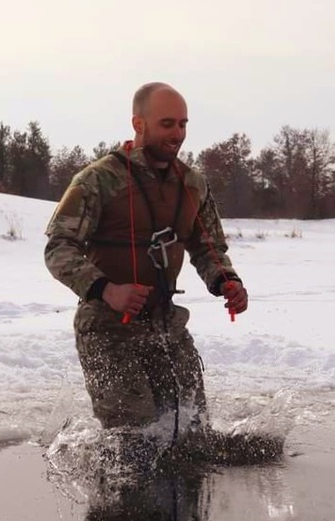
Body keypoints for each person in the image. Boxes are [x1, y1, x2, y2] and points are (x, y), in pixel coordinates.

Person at [44, 82, 248, 455]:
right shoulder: (98, 180)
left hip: (166, 326)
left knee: (190, 435)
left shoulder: (192, 185)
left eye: (183, 124)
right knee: (134, 445)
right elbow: (58, 248)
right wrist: (108, 289)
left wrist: (226, 281)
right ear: (139, 124)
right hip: (107, 330)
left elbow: (209, 247)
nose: (177, 135)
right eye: (167, 124)